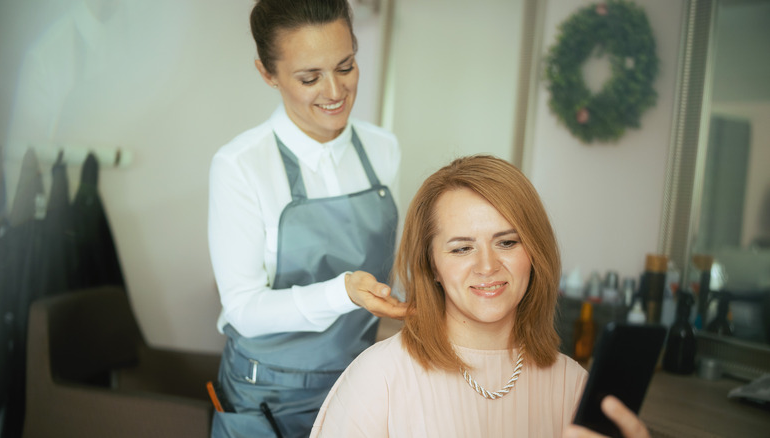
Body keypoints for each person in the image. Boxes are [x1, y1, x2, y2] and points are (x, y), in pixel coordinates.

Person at [310, 155, 651, 438]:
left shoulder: (573, 385)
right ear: (431, 265)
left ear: (534, 251)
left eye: (507, 242)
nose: (487, 266)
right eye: (461, 248)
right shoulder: (378, 378)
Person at [207, 0, 407, 436]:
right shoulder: (240, 166)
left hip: (358, 382)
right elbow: (242, 308)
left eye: (346, 65)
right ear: (267, 73)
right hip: (268, 396)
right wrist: (342, 293)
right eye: (310, 77)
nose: (335, 92)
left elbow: (388, 266)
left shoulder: (382, 149)